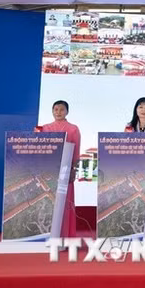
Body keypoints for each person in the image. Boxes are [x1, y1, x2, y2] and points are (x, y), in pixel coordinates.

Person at [40, 100, 81, 238]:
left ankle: (65, 235)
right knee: (48, 201)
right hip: (48, 171)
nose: (58, 112)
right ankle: (46, 235)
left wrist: (73, 169)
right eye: (55, 109)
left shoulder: (73, 129)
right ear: (52, 111)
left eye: (62, 110)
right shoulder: (44, 128)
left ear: (67, 112)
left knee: (65, 203)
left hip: (65, 172)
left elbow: (76, 151)